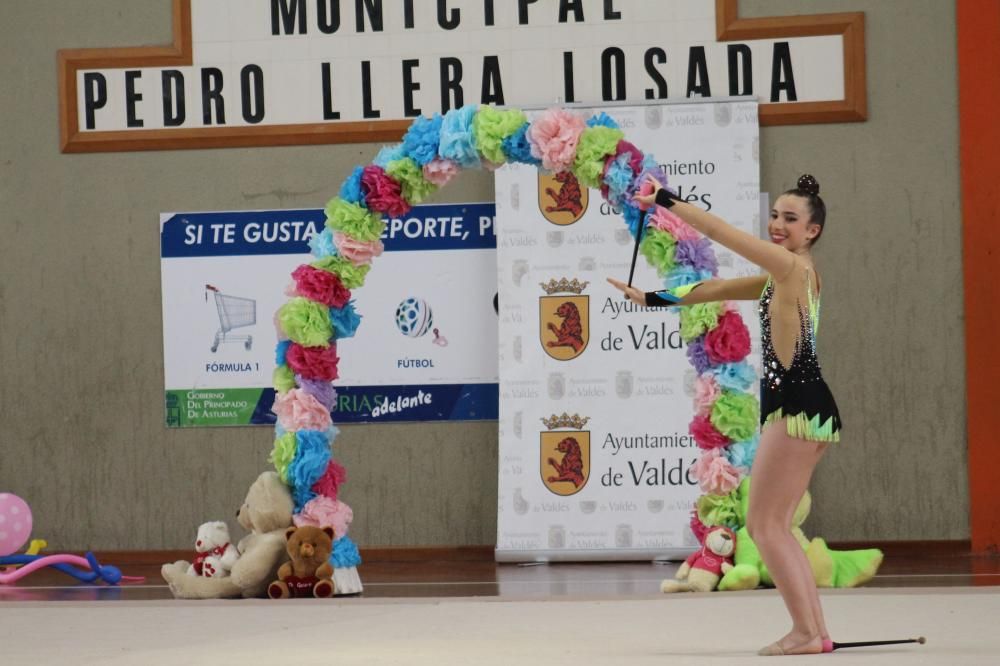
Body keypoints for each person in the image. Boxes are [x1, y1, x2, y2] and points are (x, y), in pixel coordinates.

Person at [608, 174, 841, 657]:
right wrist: (651, 299)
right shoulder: (783, 277)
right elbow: (711, 288)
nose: (777, 225)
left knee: (764, 526)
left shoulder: (793, 269)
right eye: (775, 216)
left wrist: (666, 203)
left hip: (797, 407)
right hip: (808, 407)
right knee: (774, 525)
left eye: (790, 219)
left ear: (812, 231)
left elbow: (722, 234)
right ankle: (814, 631)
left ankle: (804, 631)